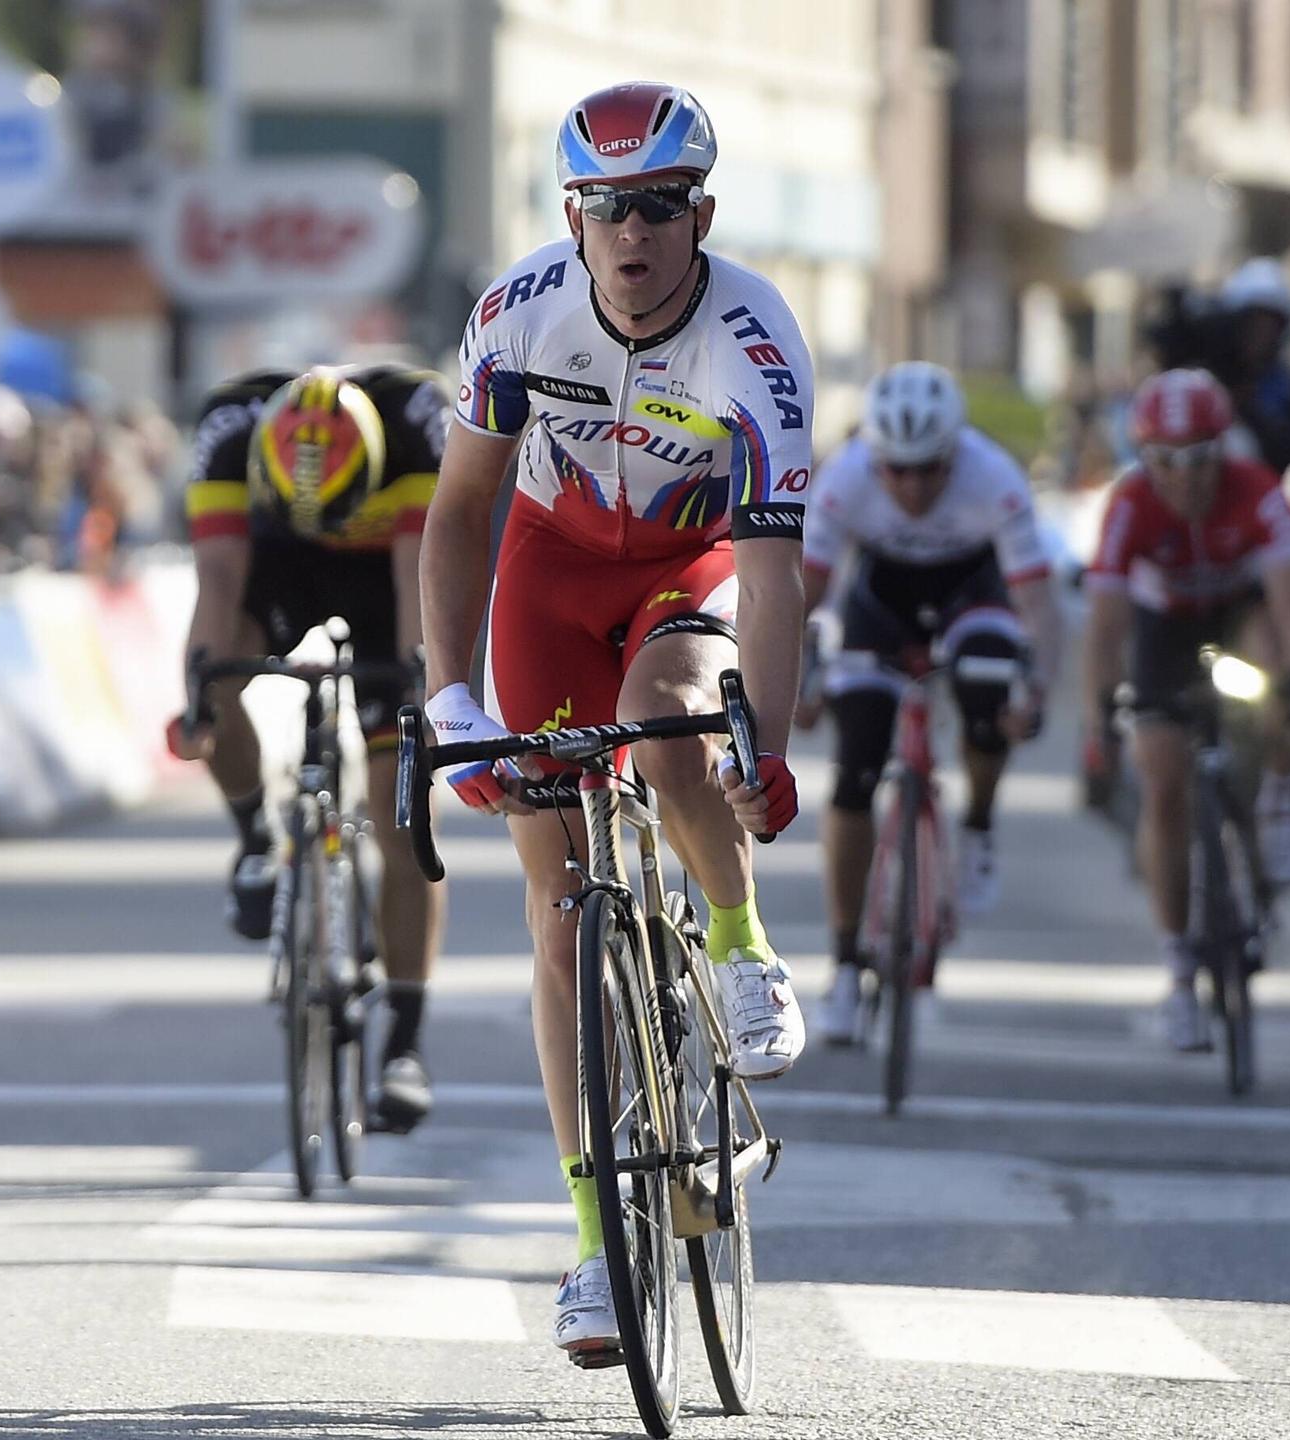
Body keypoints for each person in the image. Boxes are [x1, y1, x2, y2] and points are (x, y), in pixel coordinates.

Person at [418, 81, 813, 1365]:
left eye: (655, 207)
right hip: (547, 563)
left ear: (699, 213)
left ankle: (742, 942)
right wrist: (448, 695)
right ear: (571, 216)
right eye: (603, 207)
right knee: (552, 911)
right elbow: (461, 511)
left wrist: (769, 745)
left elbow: (770, 577)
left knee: (662, 727)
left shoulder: (757, 340)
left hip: (687, 566)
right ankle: (594, 1248)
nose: (629, 233)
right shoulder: (514, 316)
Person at [181, 362, 450, 1136]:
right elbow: (217, 583)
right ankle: (256, 841)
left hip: (384, 577)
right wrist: (199, 702)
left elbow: (418, 598)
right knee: (213, 673)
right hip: (277, 569)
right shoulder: (229, 430)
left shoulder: (416, 430)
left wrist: (416, 716)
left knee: (403, 812)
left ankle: (404, 1039)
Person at [797, 360, 1060, 1044]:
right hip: (879, 606)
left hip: (971, 597)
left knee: (988, 685)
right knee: (854, 770)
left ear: (955, 453)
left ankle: (976, 822)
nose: (912, 485)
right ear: (874, 457)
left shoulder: (993, 477)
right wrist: (794, 679)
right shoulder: (846, 477)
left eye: (929, 469)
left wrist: (1038, 689)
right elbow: (806, 594)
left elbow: (1036, 602)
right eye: (897, 469)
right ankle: (847, 962)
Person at [1078, 368, 1290, 1052]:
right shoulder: (1129, 504)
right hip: (1165, 630)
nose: (1184, 478)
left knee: (1277, 671)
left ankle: (1275, 802)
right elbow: (1104, 629)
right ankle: (1180, 975)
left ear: (1225, 450)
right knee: (1163, 783)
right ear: (1145, 459)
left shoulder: (1260, 493)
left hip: (1239, 617)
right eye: (1166, 462)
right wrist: (1101, 714)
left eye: (1200, 459)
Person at [1212, 258, 1290, 478]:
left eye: (1268, 324)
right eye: (1251, 323)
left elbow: (1289, 454)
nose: (1259, 334)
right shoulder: (1212, 378)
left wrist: (1246, 405)